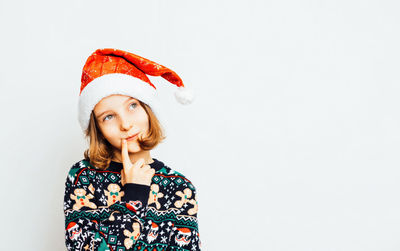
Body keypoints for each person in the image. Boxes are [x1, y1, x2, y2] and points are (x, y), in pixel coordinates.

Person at [63, 48, 200, 251]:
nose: (125, 124)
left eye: (132, 106)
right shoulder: (84, 177)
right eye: (108, 117)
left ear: (148, 108)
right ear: (98, 128)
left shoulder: (179, 186)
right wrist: (134, 194)